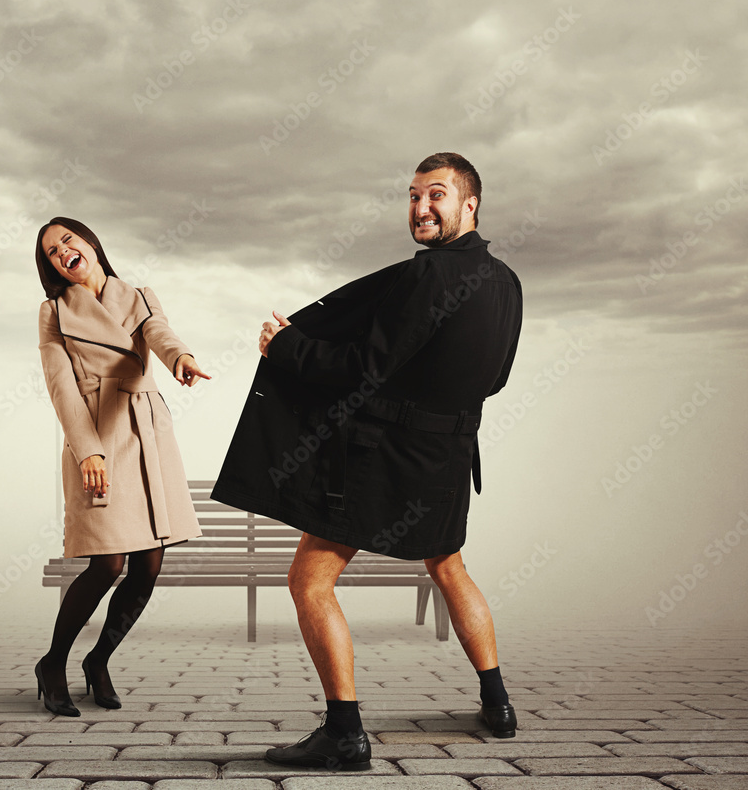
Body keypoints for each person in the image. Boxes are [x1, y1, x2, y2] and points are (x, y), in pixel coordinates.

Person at [212, 152, 523, 769]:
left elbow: (364, 368)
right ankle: (498, 705)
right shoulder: (508, 284)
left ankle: (345, 734)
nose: (420, 208)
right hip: (449, 459)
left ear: (471, 204)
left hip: (388, 457)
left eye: (435, 195)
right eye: (412, 196)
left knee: (309, 580)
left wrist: (288, 347)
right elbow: (497, 379)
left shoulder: (427, 276)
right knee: (449, 566)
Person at [33, 217, 209, 716]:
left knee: (149, 563)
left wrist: (182, 359)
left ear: (89, 243)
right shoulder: (53, 313)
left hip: (146, 433)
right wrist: (87, 448)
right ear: (52, 268)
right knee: (108, 562)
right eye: (50, 251)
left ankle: (99, 660)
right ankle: (54, 663)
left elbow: (160, 333)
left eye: (68, 239)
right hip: (97, 436)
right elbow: (61, 387)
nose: (62, 251)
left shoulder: (138, 294)